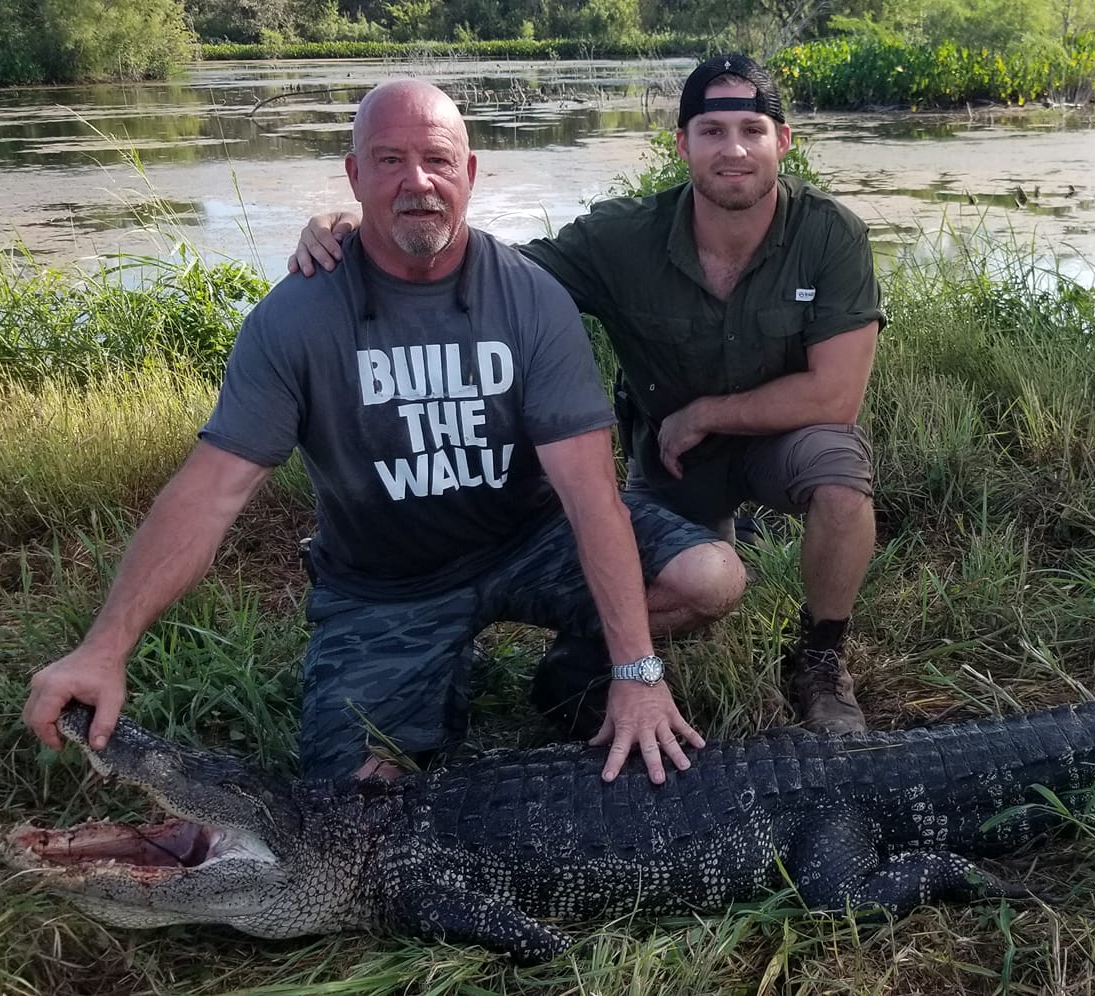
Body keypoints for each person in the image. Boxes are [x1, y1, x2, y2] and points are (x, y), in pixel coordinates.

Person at [24, 78, 746, 786]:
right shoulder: (298, 316)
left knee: (708, 577)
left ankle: (578, 668)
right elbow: (211, 490)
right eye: (390, 160)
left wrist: (638, 670)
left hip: (532, 541)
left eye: (436, 160)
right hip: (388, 585)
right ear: (354, 174)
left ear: (468, 172)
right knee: (358, 792)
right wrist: (104, 647)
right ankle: (434, 663)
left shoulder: (530, 299)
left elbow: (591, 498)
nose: (417, 181)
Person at [291, 55, 884, 735]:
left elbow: (836, 395)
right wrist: (366, 234)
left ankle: (819, 658)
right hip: (672, 460)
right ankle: (590, 645)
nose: (734, 149)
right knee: (701, 578)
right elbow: (496, 278)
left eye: (752, 129)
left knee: (841, 476)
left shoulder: (831, 233)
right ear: (682, 143)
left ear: (782, 141)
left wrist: (706, 413)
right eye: (712, 130)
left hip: (778, 440)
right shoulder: (621, 235)